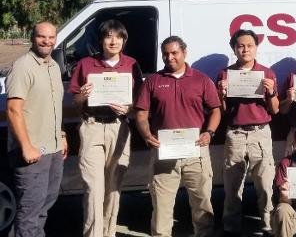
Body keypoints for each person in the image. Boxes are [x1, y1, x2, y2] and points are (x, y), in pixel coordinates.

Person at [135, 36, 221, 237]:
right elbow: (140, 114)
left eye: (174, 53)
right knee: (162, 207)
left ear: (184, 53)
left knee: (202, 204)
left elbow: (215, 110)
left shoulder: (201, 80)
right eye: (165, 54)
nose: (169, 57)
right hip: (164, 153)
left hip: (196, 152)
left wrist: (209, 132)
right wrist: (147, 135)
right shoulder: (153, 81)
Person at [68, 19, 142, 237]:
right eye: (108, 36)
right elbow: (76, 101)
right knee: (93, 189)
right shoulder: (86, 64)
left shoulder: (132, 65)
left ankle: (108, 233)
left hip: (118, 129)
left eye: (118, 37)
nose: (113, 41)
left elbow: (138, 102)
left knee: (113, 188)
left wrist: (127, 109)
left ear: (124, 40)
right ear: (100, 40)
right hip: (92, 127)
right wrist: (84, 94)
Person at [6, 22, 67, 237]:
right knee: (30, 210)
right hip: (32, 152)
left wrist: (61, 135)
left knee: (43, 207)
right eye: (42, 37)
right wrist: (26, 146)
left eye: (51, 37)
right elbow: (13, 110)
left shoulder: (53, 66)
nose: (46, 41)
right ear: (32, 37)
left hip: (53, 149)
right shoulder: (23, 67)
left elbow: (52, 106)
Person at [217, 29, 277, 236]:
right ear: (234, 48)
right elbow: (224, 112)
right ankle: (231, 227)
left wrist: (271, 93)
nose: (245, 49)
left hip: (260, 132)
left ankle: (268, 225)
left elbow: (275, 109)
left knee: (265, 184)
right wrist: (221, 94)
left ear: (256, 47)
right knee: (232, 186)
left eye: (249, 45)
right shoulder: (225, 74)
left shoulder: (267, 73)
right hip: (236, 134)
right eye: (240, 45)